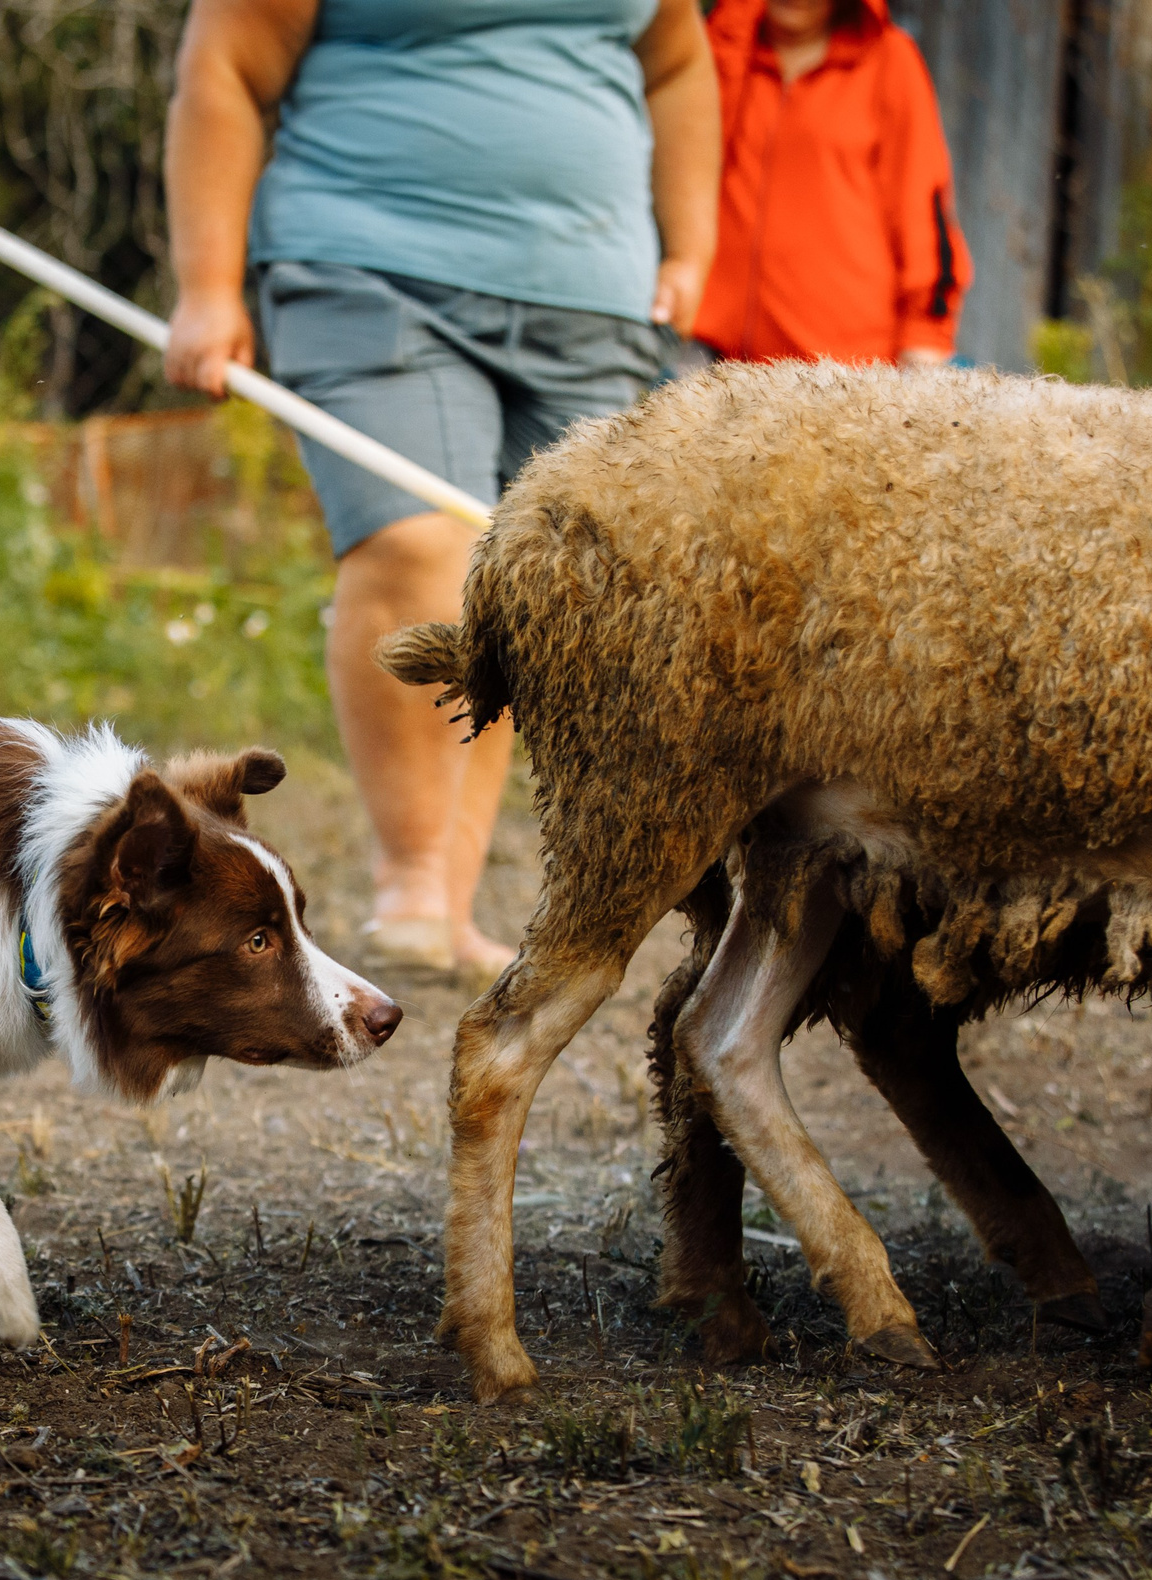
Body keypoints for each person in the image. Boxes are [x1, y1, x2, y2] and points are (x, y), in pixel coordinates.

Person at [163, 0, 719, 981]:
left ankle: (446, 908)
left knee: (521, 592)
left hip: (590, 303)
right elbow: (226, 67)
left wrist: (690, 244)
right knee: (419, 547)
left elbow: (676, 64)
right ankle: (410, 877)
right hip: (370, 269)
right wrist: (207, 284)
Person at [692, 0, 967, 366]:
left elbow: (922, 206)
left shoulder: (888, 60)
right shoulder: (718, 49)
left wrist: (925, 335)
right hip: (716, 362)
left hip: (847, 370)